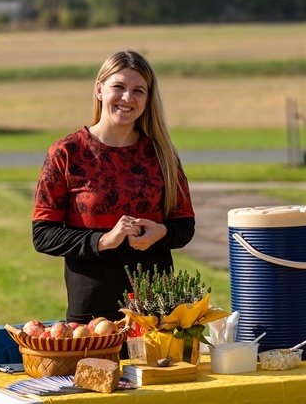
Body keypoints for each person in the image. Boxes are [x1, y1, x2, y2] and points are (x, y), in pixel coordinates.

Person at [31, 49, 196, 326]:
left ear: (148, 98)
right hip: (91, 312)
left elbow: (185, 226)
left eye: (138, 90)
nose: (127, 98)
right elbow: (43, 235)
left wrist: (162, 232)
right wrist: (102, 241)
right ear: (99, 89)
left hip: (156, 310)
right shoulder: (66, 152)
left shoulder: (162, 154)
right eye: (118, 87)